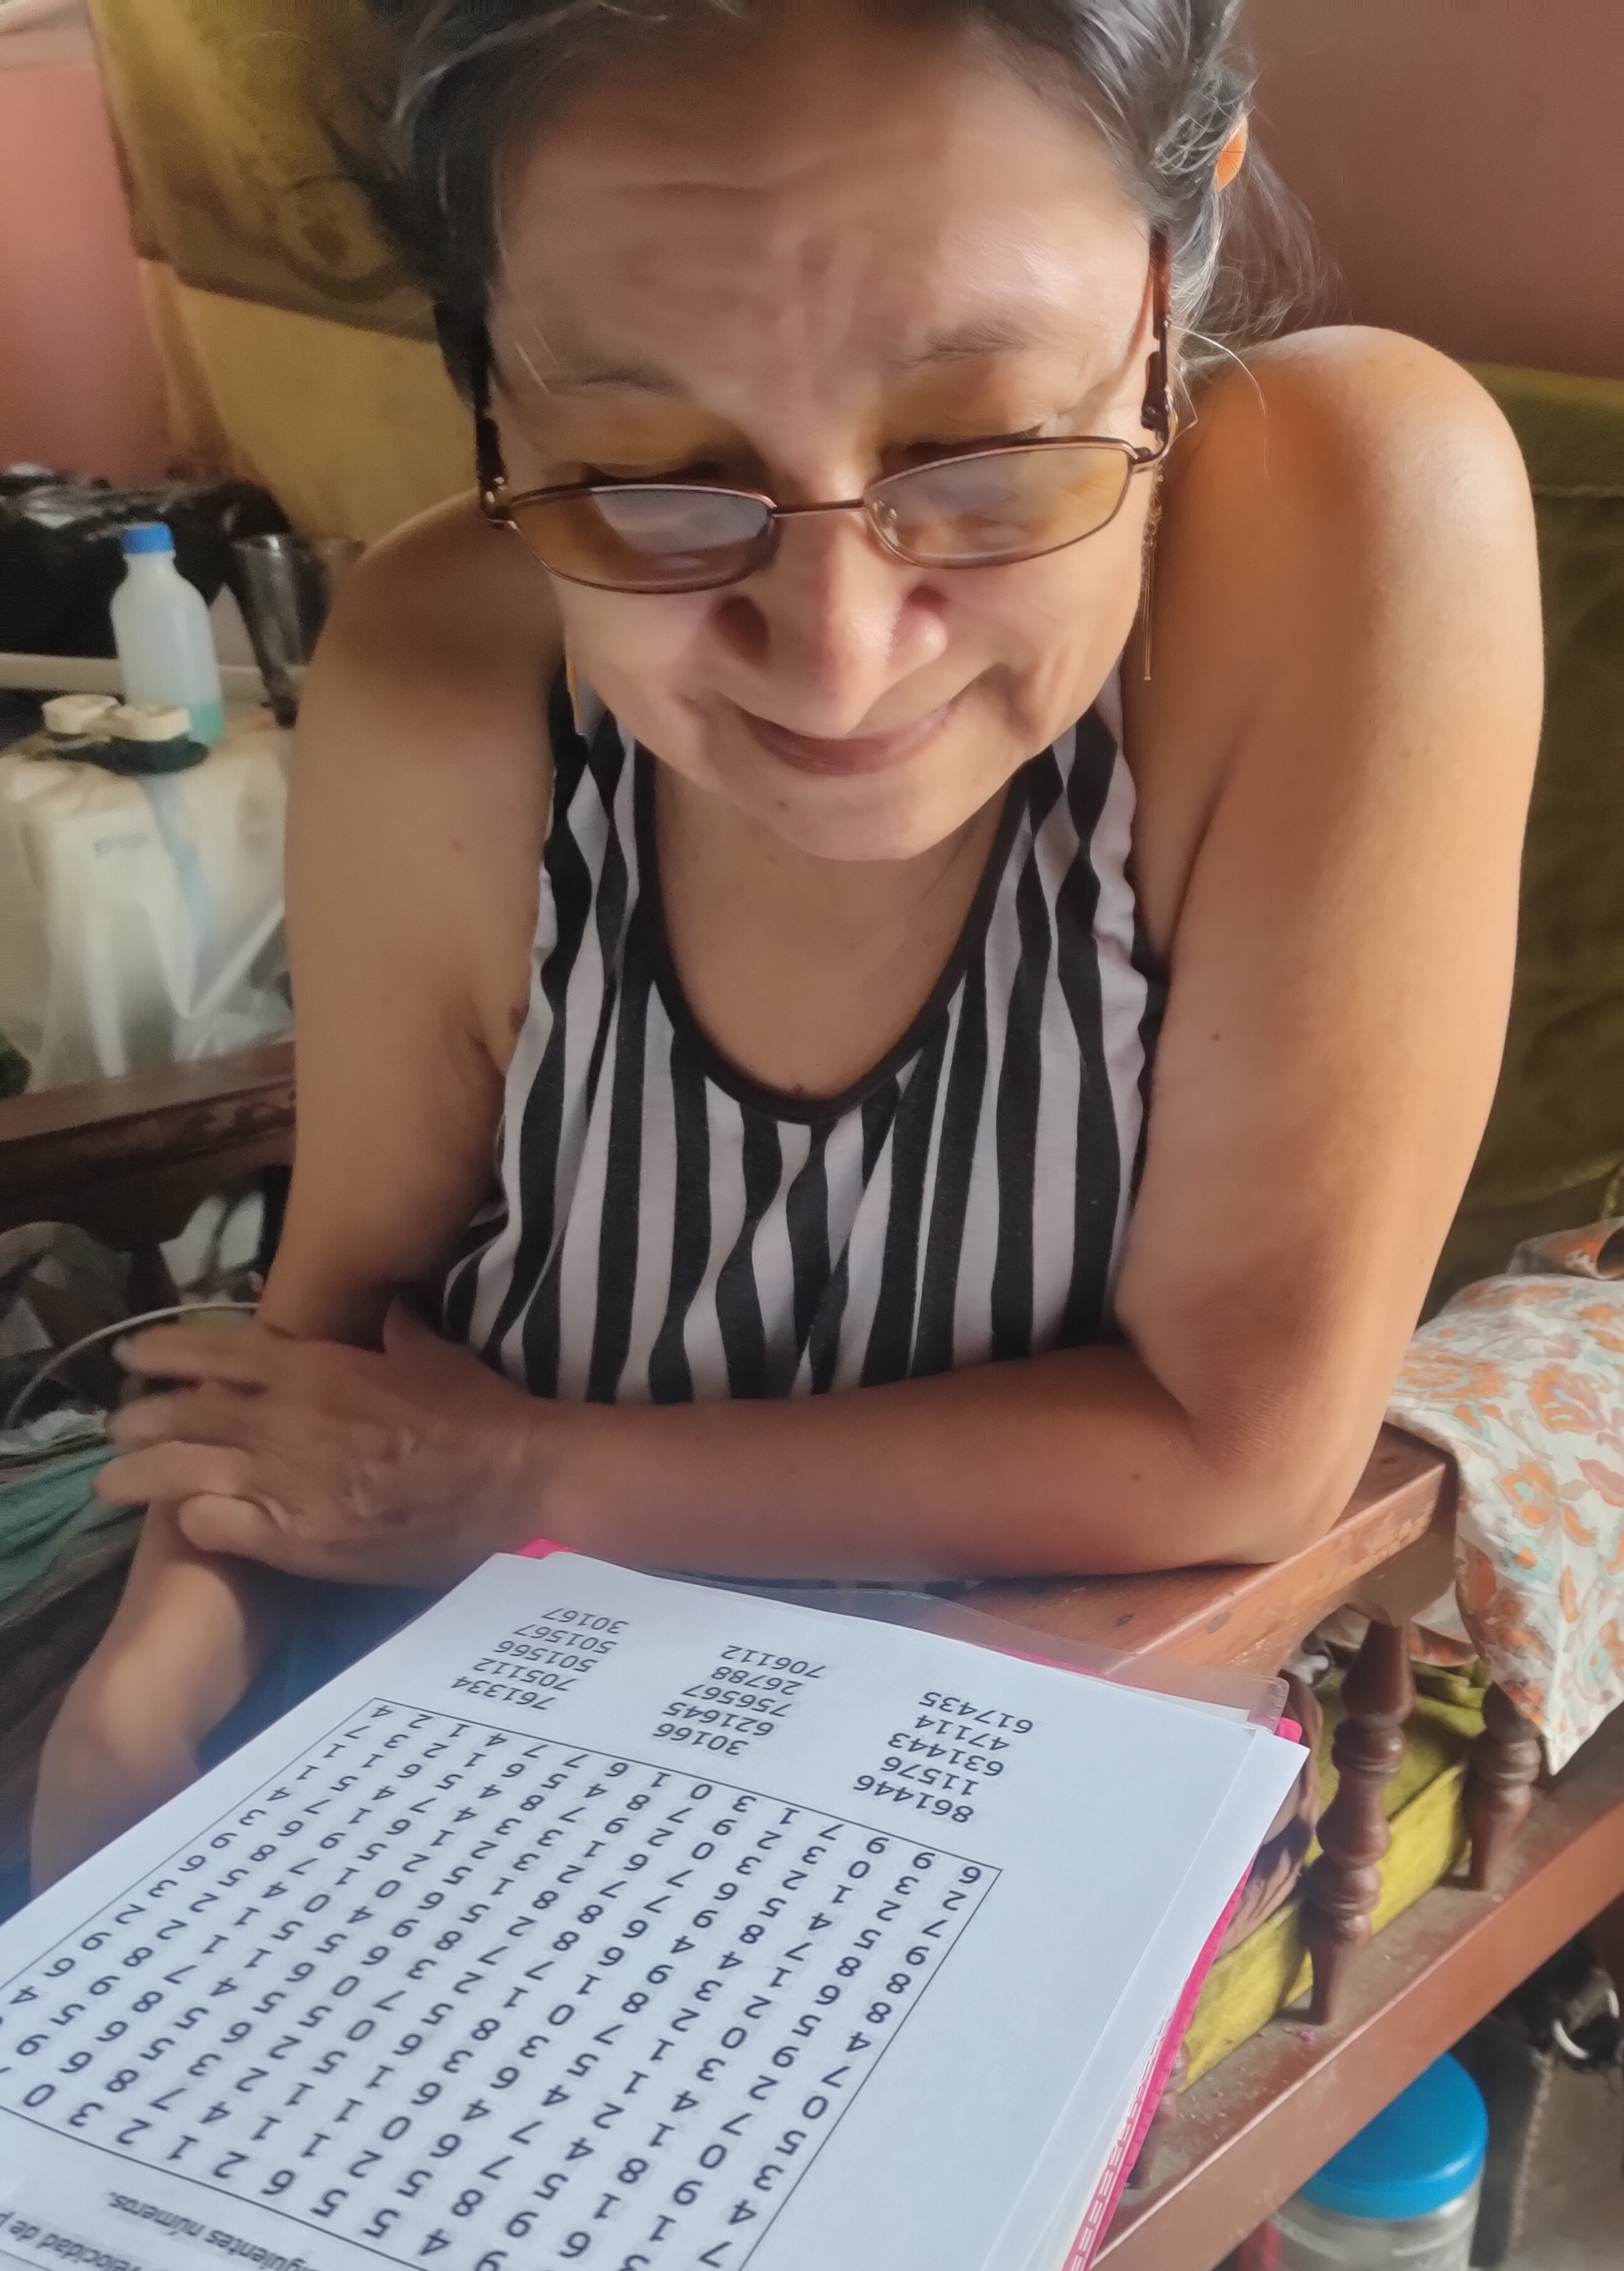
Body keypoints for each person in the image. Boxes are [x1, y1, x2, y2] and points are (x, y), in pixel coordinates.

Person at [33, 0, 1541, 1886]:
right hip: (422, 1733)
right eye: (648, 474)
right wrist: (151, 1683)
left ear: (1177, 260)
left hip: (938, 1795)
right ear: (486, 373)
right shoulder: (447, 660)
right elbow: (333, 1333)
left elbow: (1232, 1449)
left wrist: (516, 1481)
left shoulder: (1340, 514)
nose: (837, 660)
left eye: (984, 449)